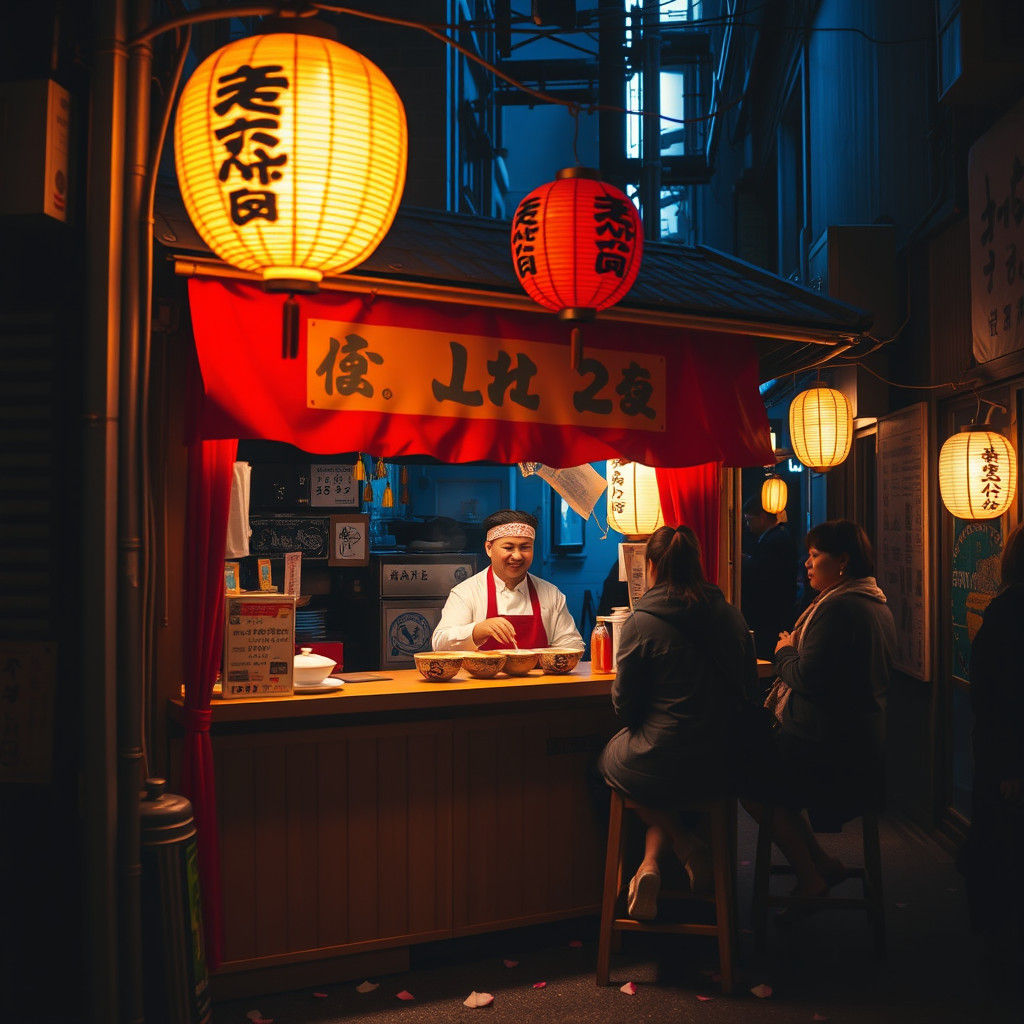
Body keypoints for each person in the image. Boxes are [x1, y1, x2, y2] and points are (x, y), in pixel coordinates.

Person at [597, 525, 754, 919]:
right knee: (674, 780)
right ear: (698, 565)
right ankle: (660, 862)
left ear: (650, 566)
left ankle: (680, 849)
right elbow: (750, 687)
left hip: (661, 759)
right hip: (724, 759)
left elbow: (624, 707)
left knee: (611, 766)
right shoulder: (731, 616)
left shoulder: (641, 622)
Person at [740, 519, 897, 903]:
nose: (806, 564)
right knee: (757, 767)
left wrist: (784, 651)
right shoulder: (873, 602)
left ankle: (810, 877)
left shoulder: (839, 609)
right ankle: (821, 863)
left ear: (842, 562)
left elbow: (806, 678)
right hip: (860, 745)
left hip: (830, 751)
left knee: (748, 782)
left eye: (814, 556)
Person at [957, 522, 1024, 984]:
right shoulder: (1009, 614)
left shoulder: (1004, 612)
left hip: (1002, 757)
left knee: (1001, 853)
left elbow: (991, 694)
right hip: (1008, 759)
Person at [431, 509, 583, 651]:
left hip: (537, 679)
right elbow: (439, 643)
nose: (517, 556)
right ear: (489, 548)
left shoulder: (551, 594)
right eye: (508, 548)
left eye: (525, 547)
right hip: (483, 679)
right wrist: (477, 630)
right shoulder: (466, 592)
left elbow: (572, 645)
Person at [741, 495, 798, 660]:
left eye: (749, 520)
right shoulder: (777, 536)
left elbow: (765, 575)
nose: (747, 525)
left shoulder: (777, 539)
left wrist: (745, 563)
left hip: (771, 615)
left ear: (763, 517)